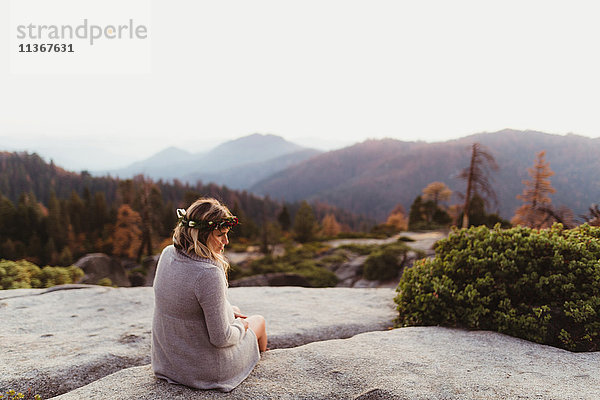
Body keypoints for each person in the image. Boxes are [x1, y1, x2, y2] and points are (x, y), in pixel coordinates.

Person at [151, 197, 268, 392]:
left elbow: (187, 304)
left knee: (234, 309)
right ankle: (259, 359)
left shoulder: (167, 253)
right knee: (258, 321)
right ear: (201, 235)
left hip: (168, 364)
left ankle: (247, 350)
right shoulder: (208, 273)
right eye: (220, 234)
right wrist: (242, 326)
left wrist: (229, 313)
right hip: (205, 371)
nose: (226, 241)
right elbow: (221, 338)